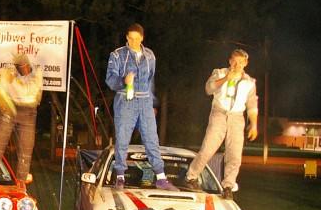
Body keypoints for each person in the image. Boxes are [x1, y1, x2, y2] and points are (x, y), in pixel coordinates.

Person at [105, 23, 177, 191]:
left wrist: (152, 103)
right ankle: (120, 177)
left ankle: (160, 177)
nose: (134, 42)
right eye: (130, 38)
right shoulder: (117, 55)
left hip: (144, 101)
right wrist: (124, 81)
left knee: (152, 139)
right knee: (122, 139)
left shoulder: (150, 56)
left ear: (142, 38)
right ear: (126, 38)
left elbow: (150, 81)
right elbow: (110, 80)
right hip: (125, 101)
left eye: (137, 38)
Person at [184, 49, 258, 199]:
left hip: (237, 117)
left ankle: (228, 186)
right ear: (230, 61)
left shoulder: (249, 82)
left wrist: (254, 124)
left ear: (246, 63)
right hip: (219, 113)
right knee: (208, 148)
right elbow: (208, 89)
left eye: (241, 62)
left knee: (235, 154)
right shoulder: (219, 73)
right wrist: (225, 79)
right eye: (234, 61)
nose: (237, 65)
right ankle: (191, 177)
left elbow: (252, 105)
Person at [0, 51, 43, 186]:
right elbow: (2, 91)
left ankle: (22, 179)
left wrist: (18, 85)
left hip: (28, 112)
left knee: (26, 147)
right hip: (9, 109)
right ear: (16, 66)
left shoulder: (37, 71)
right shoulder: (9, 71)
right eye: (21, 67)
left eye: (26, 66)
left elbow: (35, 94)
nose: (24, 69)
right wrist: (4, 103)